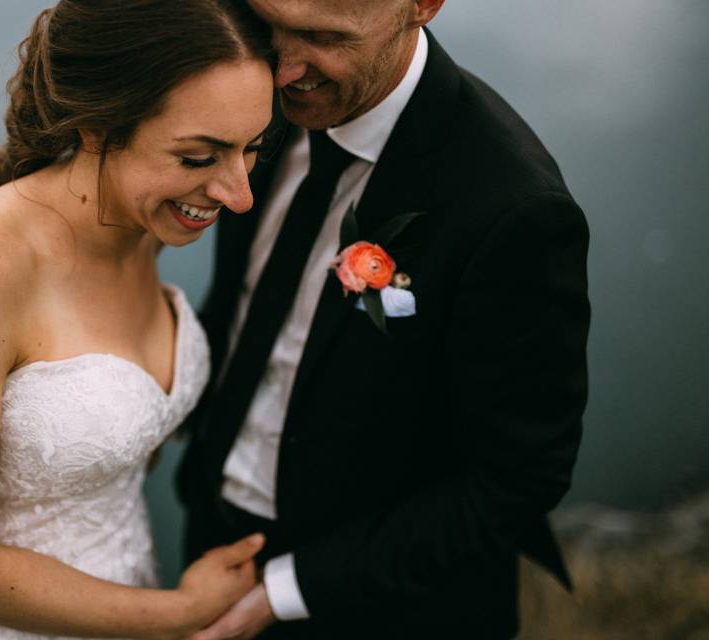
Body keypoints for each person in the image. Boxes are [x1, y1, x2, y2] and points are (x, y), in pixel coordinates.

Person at [0, 1, 277, 638]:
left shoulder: (142, 222)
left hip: (114, 592)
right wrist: (181, 612)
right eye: (198, 158)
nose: (239, 195)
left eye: (253, 149)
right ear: (96, 128)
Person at [177, 1, 591, 638]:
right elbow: (242, 306)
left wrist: (282, 591)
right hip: (213, 536)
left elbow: (516, 478)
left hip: (383, 602)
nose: (280, 70)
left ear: (422, 5)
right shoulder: (260, 100)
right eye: (265, 25)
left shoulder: (513, 209)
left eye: (320, 37)